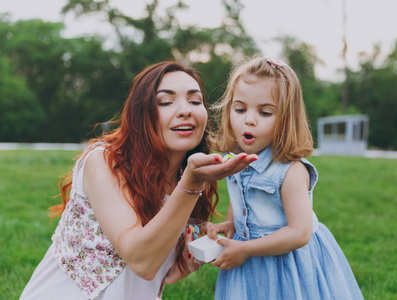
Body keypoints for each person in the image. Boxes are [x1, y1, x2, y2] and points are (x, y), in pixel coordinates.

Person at [20, 61, 257, 300]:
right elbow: (141, 261)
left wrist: (189, 261)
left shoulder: (188, 175)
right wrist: (191, 183)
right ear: (141, 114)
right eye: (165, 102)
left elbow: (160, 270)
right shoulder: (103, 162)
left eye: (195, 101)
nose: (186, 110)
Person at [206, 56, 364, 299]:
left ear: (285, 119)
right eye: (240, 109)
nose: (249, 119)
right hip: (247, 259)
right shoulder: (235, 160)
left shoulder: (290, 170)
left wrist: (246, 249)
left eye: (265, 112)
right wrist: (230, 224)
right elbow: (241, 200)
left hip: (287, 264)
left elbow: (300, 232)